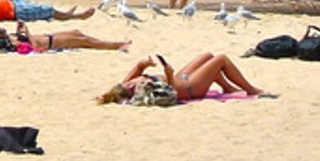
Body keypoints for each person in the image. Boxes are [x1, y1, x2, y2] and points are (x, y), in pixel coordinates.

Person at [98, 53, 273, 104]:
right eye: (129, 86)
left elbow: (137, 68)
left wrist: (144, 64)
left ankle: (227, 88)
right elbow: (171, 92)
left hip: (181, 76)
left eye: (127, 83)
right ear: (129, 92)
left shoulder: (127, 83)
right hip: (190, 88)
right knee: (221, 60)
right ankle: (250, 89)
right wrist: (167, 75)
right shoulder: (142, 89)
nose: (130, 83)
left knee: (207, 56)